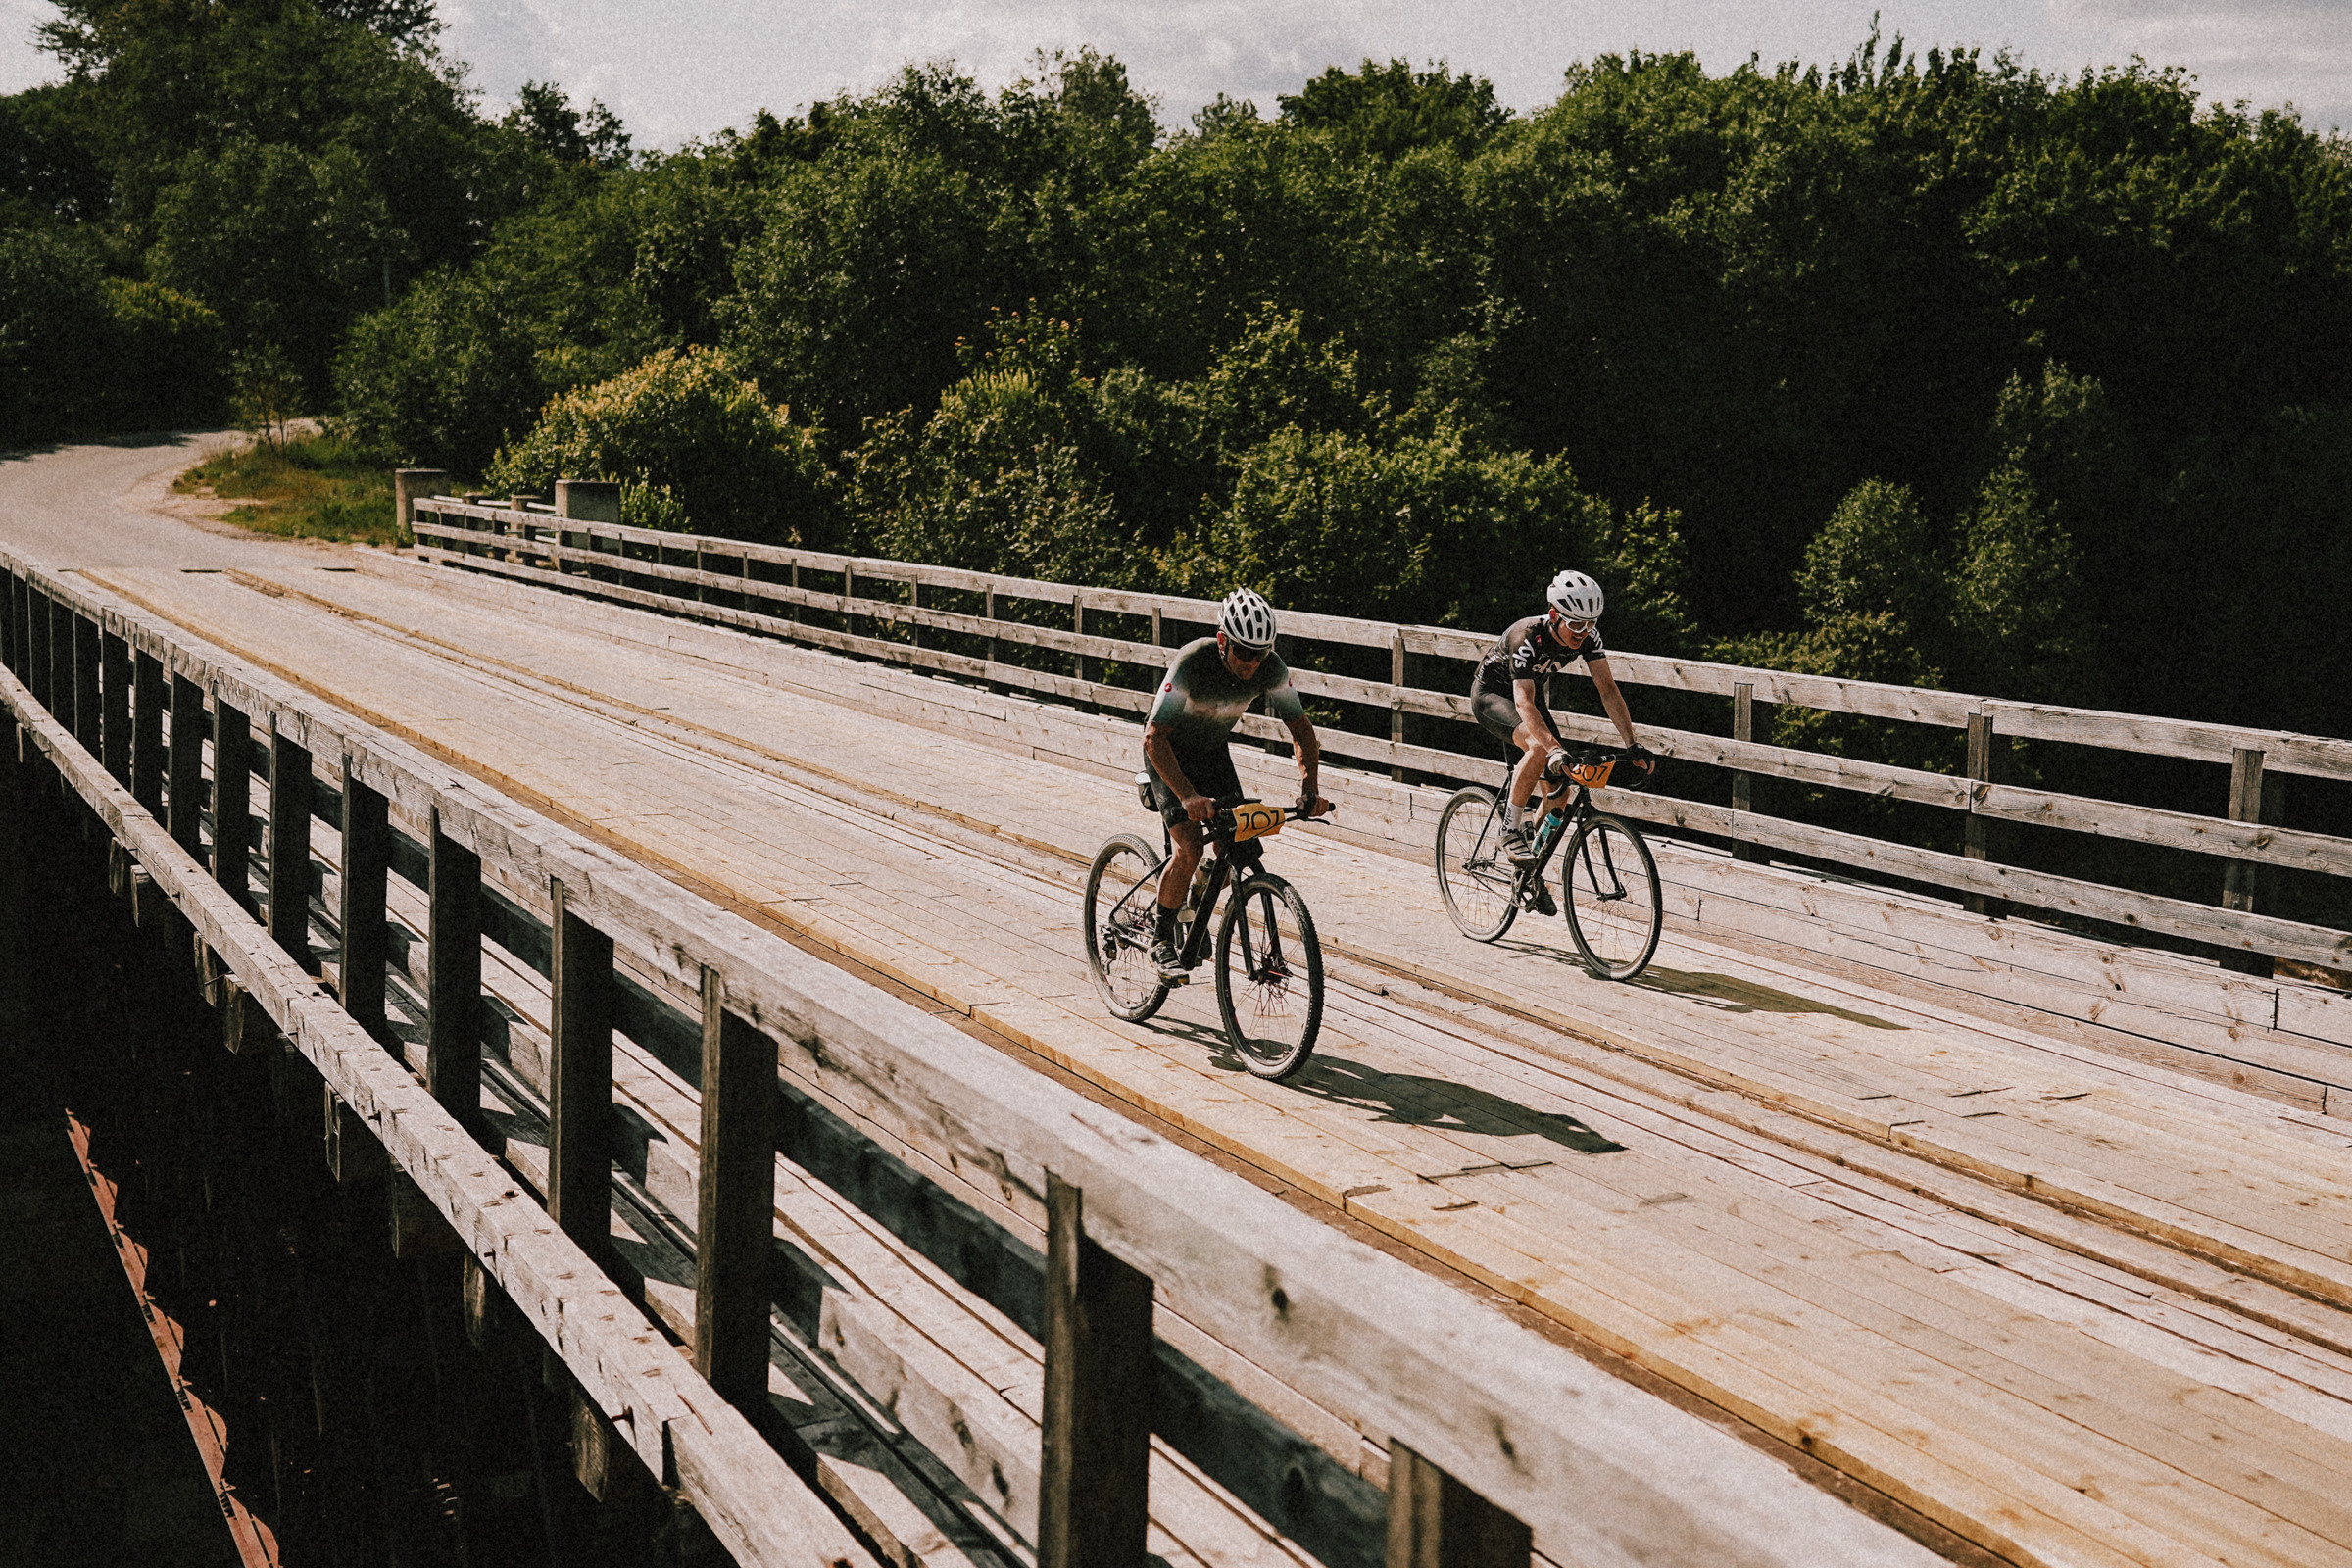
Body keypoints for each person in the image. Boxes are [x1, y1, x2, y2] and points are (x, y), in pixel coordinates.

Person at [1142, 588, 1330, 977]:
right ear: (1223, 641)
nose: (1252, 663)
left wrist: (1309, 789)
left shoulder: (1271, 668)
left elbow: (1301, 730)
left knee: (1240, 841)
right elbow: (1153, 737)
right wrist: (1188, 795)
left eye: (1260, 654)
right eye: (1244, 652)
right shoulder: (1194, 661)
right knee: (1190, 847)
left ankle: (1195, 898)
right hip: (1169, 753)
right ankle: (1160, 937)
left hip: (1211, 753)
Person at [1469, 570, 1652, 884]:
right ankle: (1510, 830)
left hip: (1529, 695)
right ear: (1554, 615)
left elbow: (1607, 689)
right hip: (1494, 696)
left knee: (1559, 790)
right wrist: (1552, 748)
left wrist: (1631, 743)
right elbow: (1523, 701)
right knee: (1540, 748)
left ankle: (1527, 869)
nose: (1584, 632)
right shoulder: (1526, 636)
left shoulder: (1588, 637)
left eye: (1591, 624)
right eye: (1577, 624)